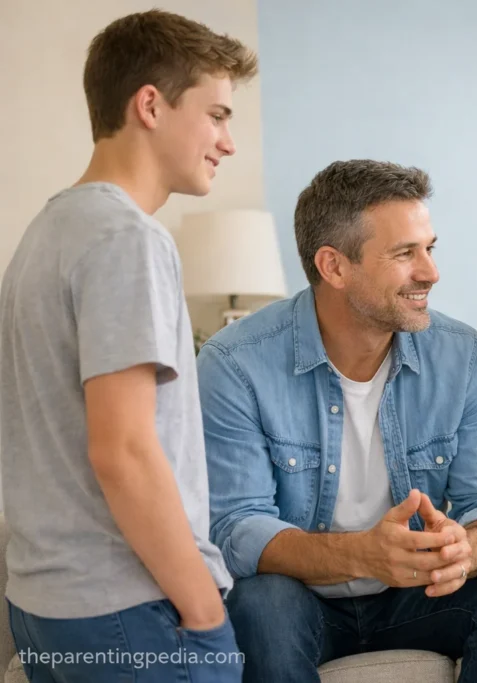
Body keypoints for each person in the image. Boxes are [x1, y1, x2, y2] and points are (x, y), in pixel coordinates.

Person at [196, 159, 477, 683]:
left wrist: (468, 548)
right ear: (334, 267)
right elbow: (237, 528)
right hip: (302, 599)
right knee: (260, 604)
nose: (430, 272)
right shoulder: (235, 363)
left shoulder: (461, 356)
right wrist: (363, 556)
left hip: (419, 596)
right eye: (404, 254)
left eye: (429, 248)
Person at [0, 10, 257, 683]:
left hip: (45, 604)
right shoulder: (126, 238)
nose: (227, 142)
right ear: (150, 104)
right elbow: (123, 450)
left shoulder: (45, 233)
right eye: (218, 114)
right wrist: (205, 611)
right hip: (127, 605)